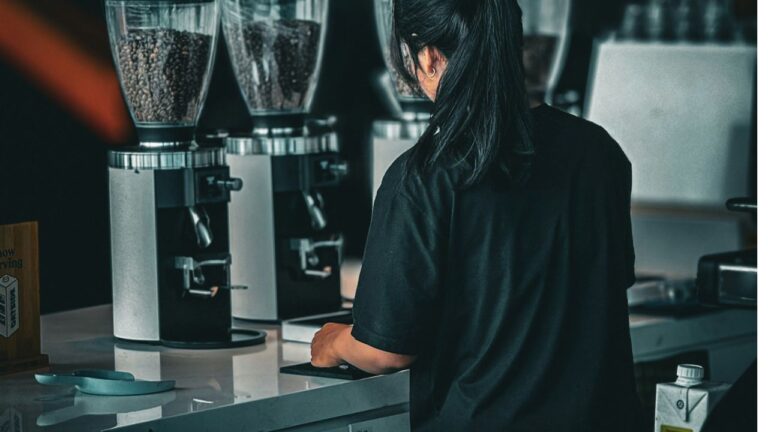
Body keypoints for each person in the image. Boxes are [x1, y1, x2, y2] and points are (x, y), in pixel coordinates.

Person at [310, 0, 641, 430]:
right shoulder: (598, 151)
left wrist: (333, 343)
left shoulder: (423, 175)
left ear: (427, 56)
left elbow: (384, 351)